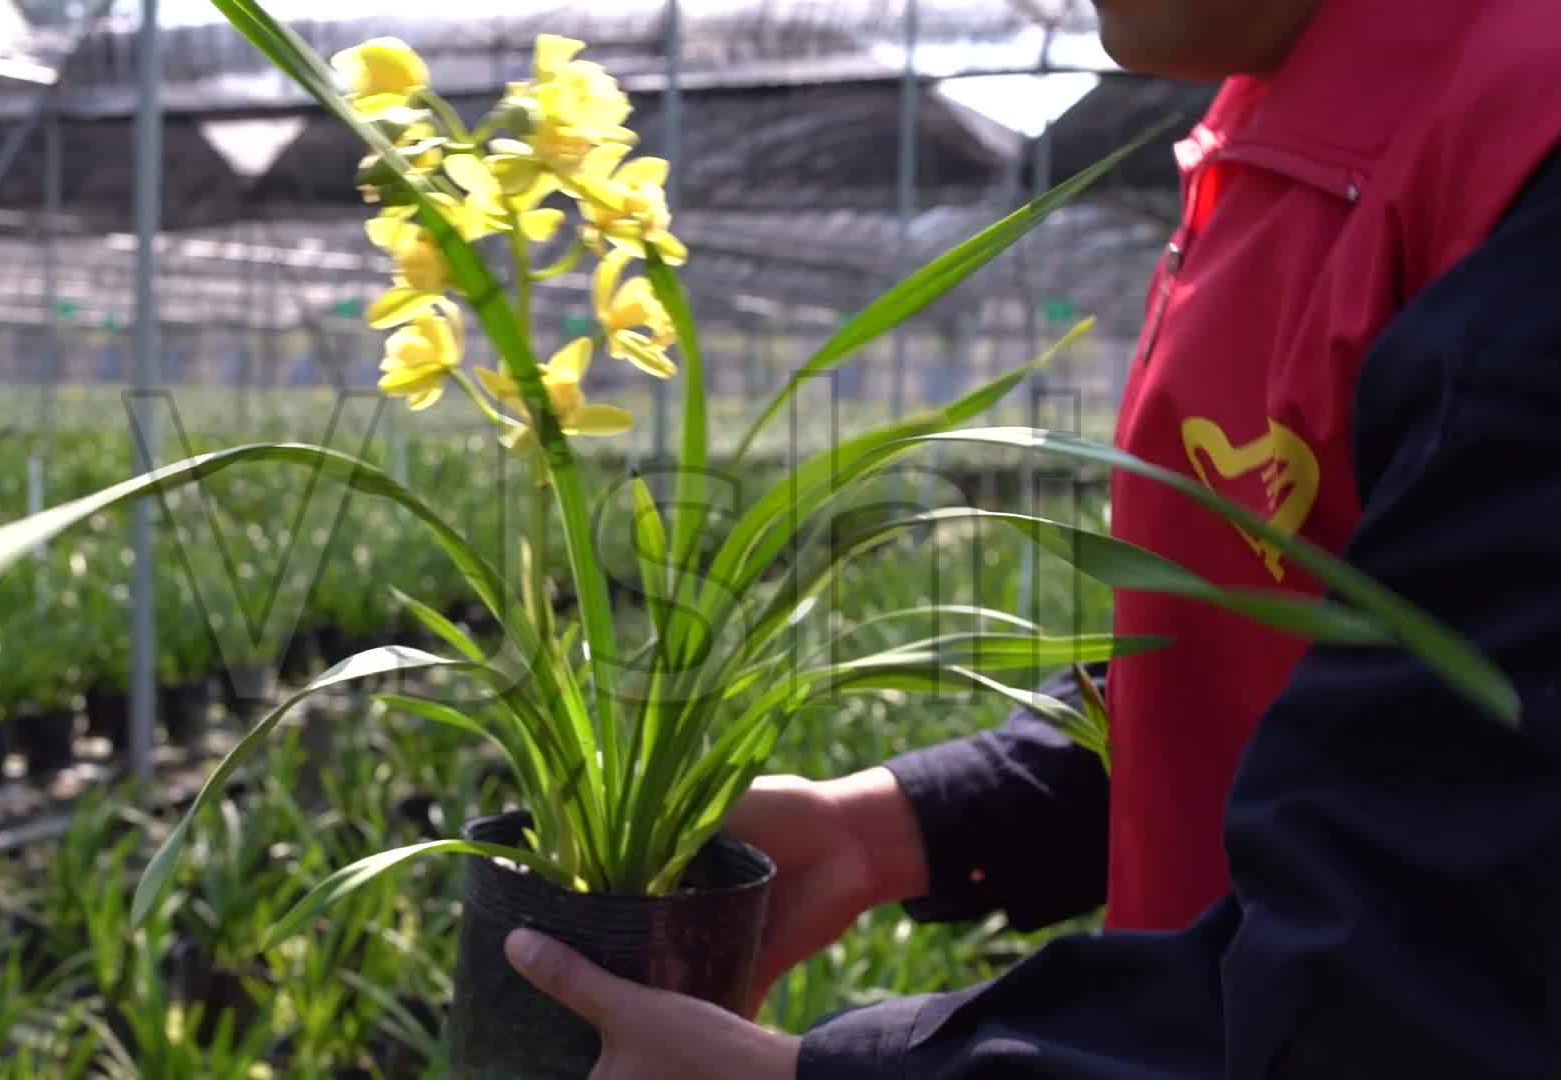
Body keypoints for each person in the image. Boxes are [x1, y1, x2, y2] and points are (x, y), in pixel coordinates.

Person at [502, 0, 1561, 1074]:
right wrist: (886, 829)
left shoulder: (1522, 176)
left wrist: (811, 1074)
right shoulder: (1288, 118)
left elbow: (1425, 962)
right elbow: (1297, 685)